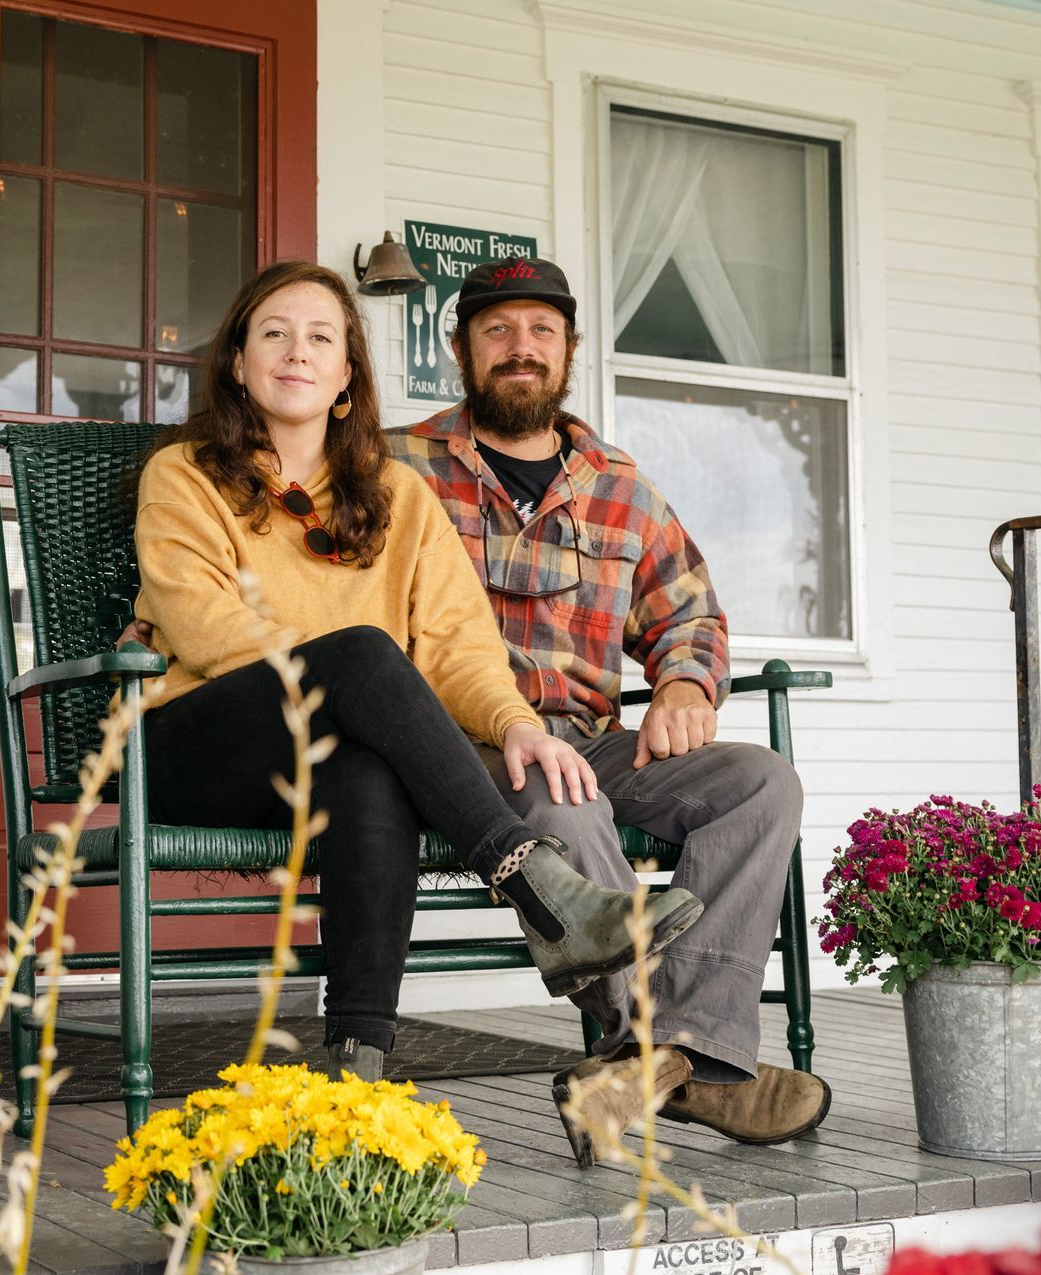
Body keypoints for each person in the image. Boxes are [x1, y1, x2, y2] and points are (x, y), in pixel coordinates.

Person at [130, 260, 704, 1082]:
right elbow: (208, 628)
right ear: (237, 362)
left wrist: (514, 725)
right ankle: (539, 887)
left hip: (322, 755)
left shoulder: (397, 495)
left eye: (321, 337)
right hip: (200, 744)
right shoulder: (184, 475)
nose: (298, 351)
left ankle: (356, 1065)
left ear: (344, 376)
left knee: (372, 767)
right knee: (365, 652)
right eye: (276, 334)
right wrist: (350, 672)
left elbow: (458, 644)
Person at [386, 256, 830, 1160]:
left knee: (759, 782)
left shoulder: (619, 485)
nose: (521, 349)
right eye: (498, 331)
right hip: (463, 745)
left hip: (594, 736)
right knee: (565, 802)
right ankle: (685, 1065)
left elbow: (691, 612)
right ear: (462, 351)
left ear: (569, 349)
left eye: (541, 332)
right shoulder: (401, 464)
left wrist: (679, 682)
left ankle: (652, 1058)